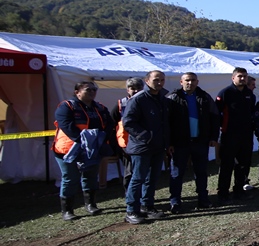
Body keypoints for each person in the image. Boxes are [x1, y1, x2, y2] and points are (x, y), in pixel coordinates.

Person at [52, 80, 115, 220]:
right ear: (77, 92)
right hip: (68, 150)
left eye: (94, 89)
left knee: (91, 176)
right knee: (70, 178)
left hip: (93, 149)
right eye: (88, 90)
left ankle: (91, 204)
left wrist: (101, 138)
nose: (92, 92)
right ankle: (67, 210)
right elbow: (67, 127)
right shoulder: (66, 106)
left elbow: (110, 123)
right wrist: (86, 141)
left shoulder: (99, 107)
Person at [122, 70, 171, 223]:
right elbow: (128, 122)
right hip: (142, 147)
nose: (160, 82)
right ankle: (131, 210)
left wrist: (166, 142)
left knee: (152, 178)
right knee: (138, 178)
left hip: (158, 146)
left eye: (162, 80)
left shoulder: (162, 98)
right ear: (147, 81)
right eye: (156, 79)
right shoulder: (139, 99)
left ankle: (147, 206)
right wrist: (145, 136)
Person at [166, 72, 219, 213]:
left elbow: (215, 117)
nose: (190, 83)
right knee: (177, 173)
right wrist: (169, 142)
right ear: (181, 82)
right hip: (179, 143)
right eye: (187, 80)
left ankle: (203, 199)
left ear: (197, 81)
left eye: (193, 80)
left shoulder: (205, 97)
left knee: (201, 172)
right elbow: (166, 122)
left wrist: (214, 136)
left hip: (200, 141)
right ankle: (175, 202)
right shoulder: (172, 98)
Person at [216, 67, 257, 201]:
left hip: (246, 135)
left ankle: (239, 189)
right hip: (229, 135)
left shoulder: (249, 94)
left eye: (244, 76)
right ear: (233, 78)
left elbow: (251, 112)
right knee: (227, 164)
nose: (242, 78)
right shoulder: (225, 93)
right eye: (240, 76)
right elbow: (217, 113)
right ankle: (223, 191)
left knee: (243, 164)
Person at [112, 77, 144, 190]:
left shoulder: (147, 102)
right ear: (127, 89)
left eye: (138, 88)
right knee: (129, 170)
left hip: (143, 141)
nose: (135, 91)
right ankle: (129, 194)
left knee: (142, 170)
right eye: (132, 88)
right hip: (126, 143)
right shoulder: (121, 104)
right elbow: (112, 123)